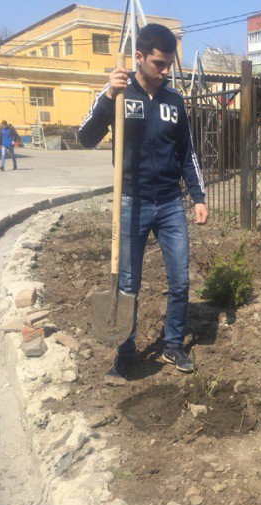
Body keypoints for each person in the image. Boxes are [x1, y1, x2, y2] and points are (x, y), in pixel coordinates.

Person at [77, 23, 207, 379]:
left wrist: (198, 196)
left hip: (169, 203)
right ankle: (125, 351)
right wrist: (107, 97)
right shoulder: (119, 94)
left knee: (180, 280)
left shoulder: (174, 102)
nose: (164, 71)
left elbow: (187, 153)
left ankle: (173, 344)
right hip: (131, 201)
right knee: (128, 283)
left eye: (168, 64)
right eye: (158, 64)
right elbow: (85, 137)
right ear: (138, 57)